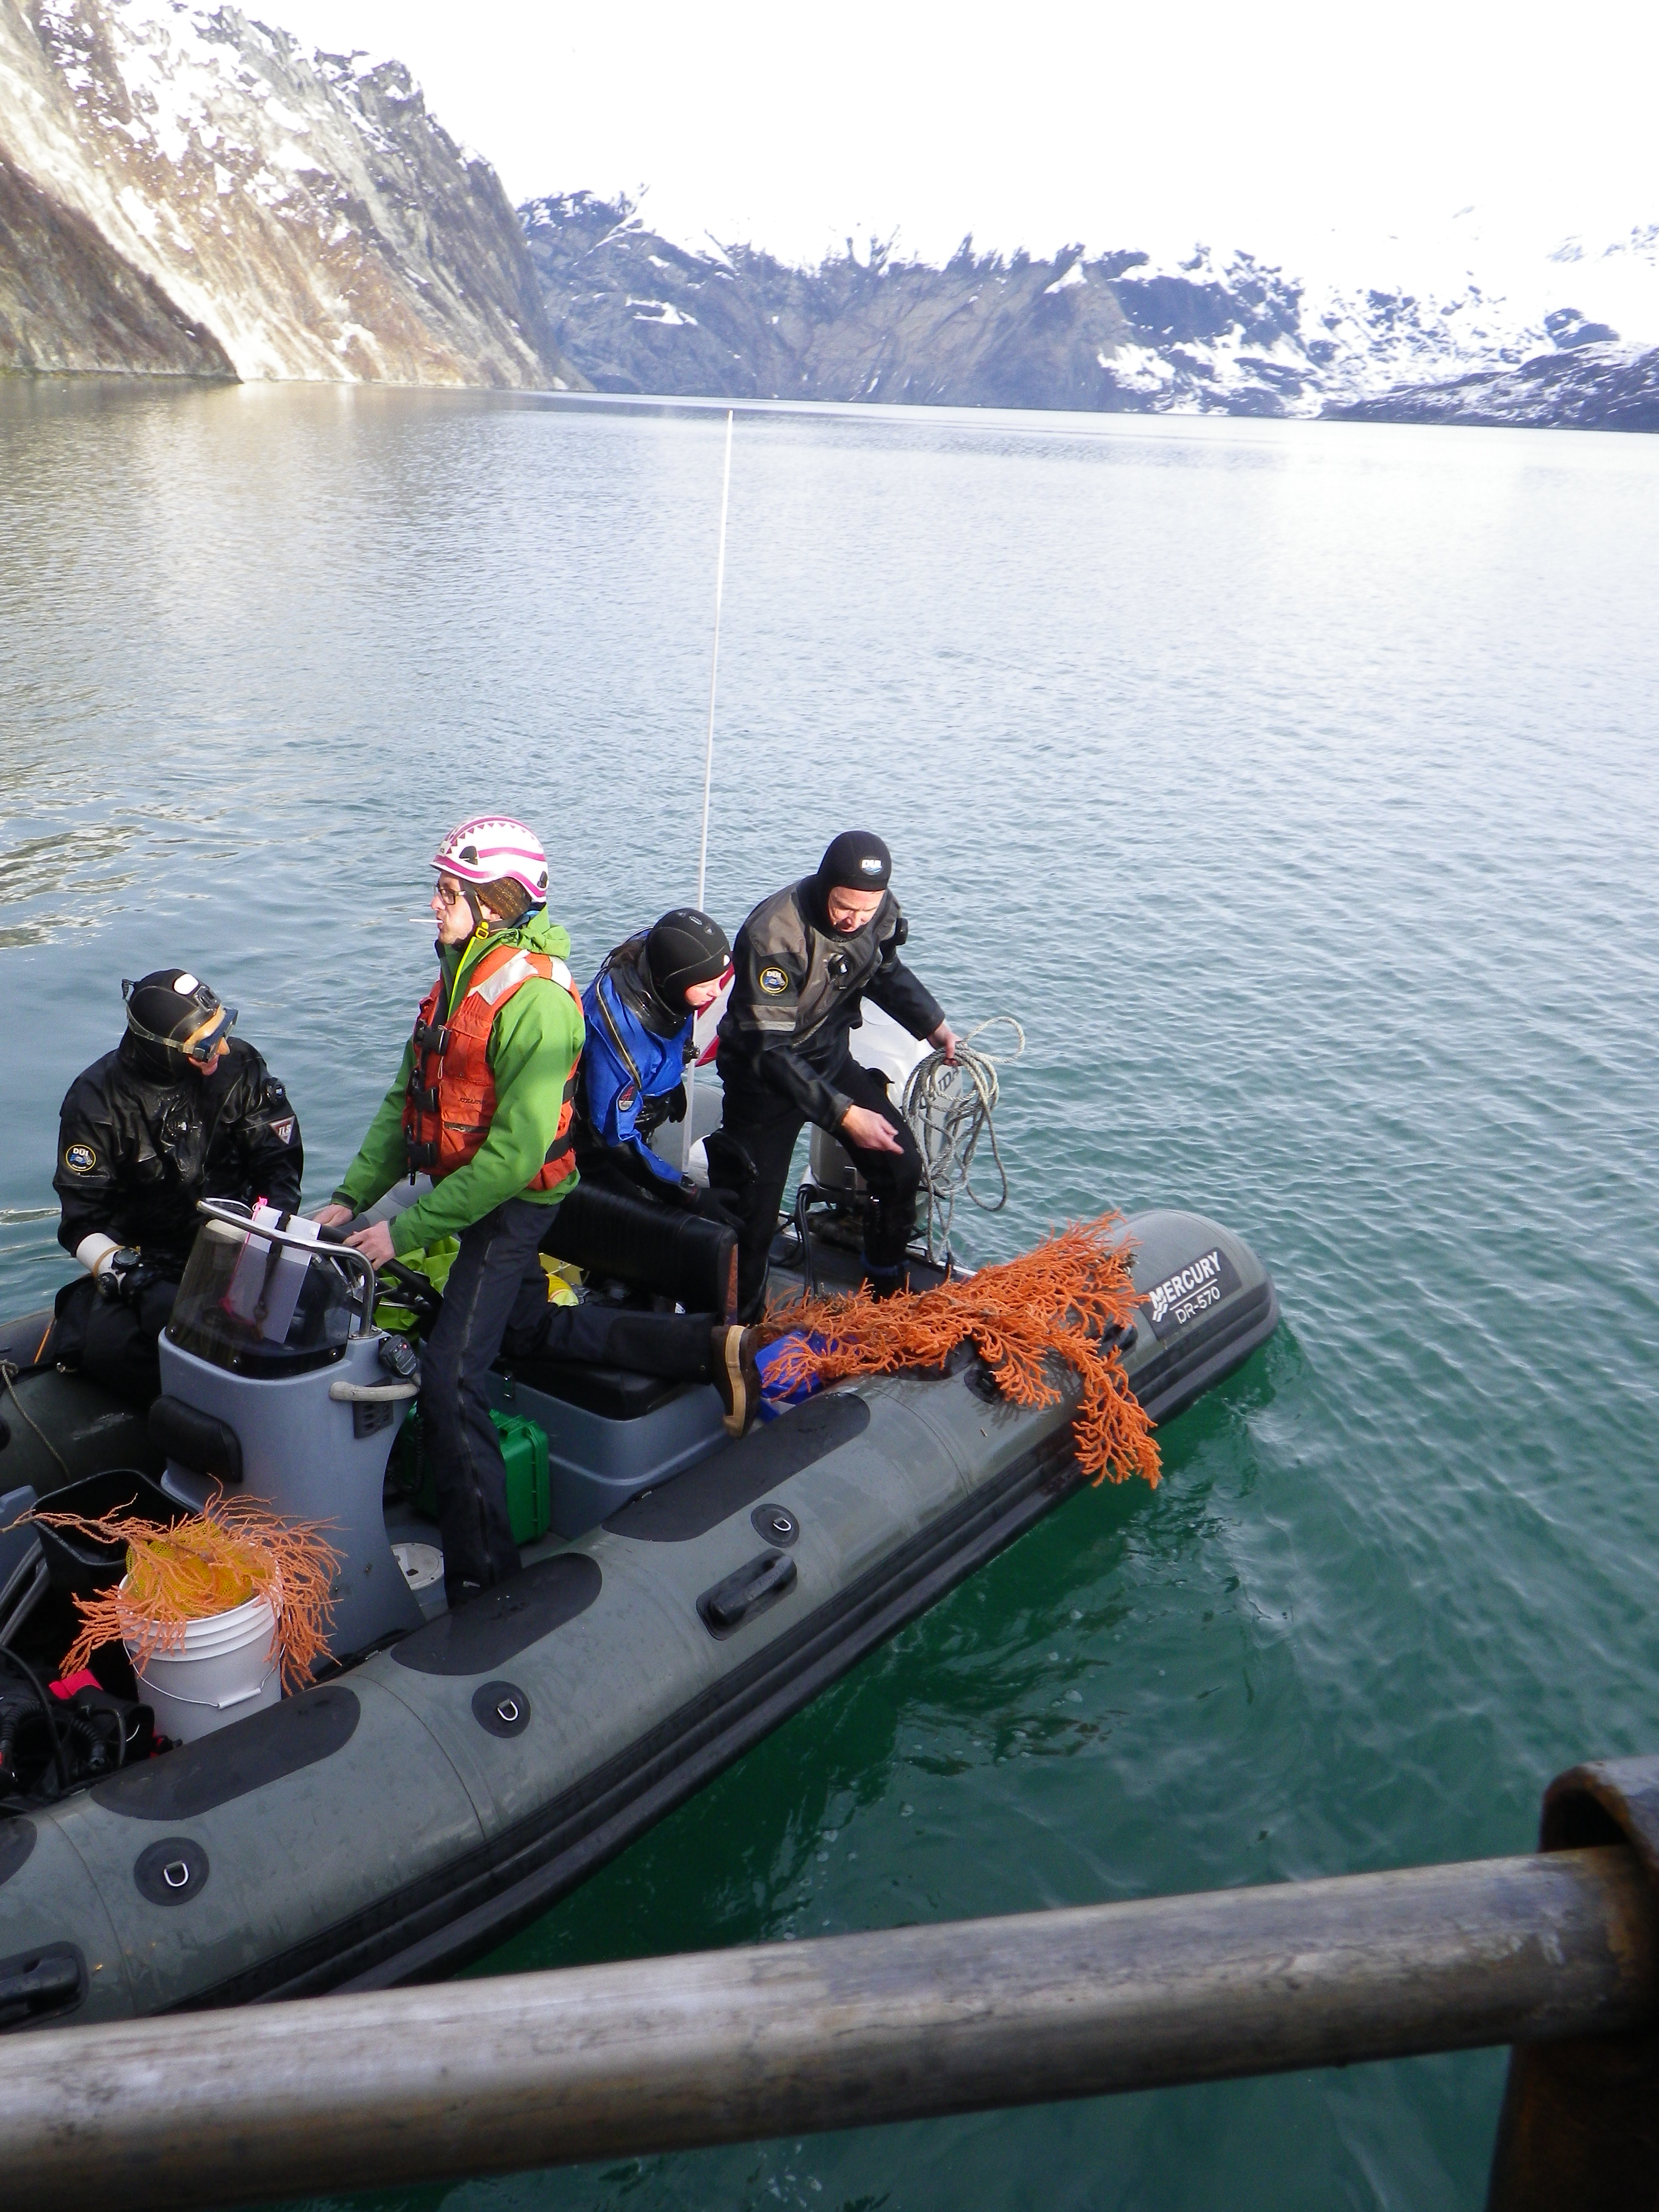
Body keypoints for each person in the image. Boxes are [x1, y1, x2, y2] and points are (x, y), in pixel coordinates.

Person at [316, 820, 757, 1608]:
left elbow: (517, 1158)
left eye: (448, 893)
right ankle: (705, 1345)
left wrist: (404, 1230)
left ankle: (488, 1588)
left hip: (515, 1200)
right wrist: (352, 1196)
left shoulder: (539, 1004)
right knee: (520, 1331)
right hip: (469, 1190)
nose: (434, 905)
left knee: (452, 1379)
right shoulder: (458, 978)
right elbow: (403, 1101)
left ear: (493, 904)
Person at [710, 830, 957, 1320]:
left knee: (902, 1168)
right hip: (764, 1078)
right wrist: (846, 1118)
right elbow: (770, 1048)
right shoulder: (774, 933)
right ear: (825, 886)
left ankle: (882, 1288)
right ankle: (738, 1327)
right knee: (752, 1221)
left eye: (867, 911)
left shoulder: (878, 913)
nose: (855, 920)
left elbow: (882, 969)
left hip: (828, 1055)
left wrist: (933, 1024)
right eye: (846, 908)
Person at [52, 969, 303, 1405]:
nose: (223, 1049)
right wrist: (135, 1280)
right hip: (152, 1265)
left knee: (307, 1320)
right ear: (162, 1051)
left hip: (241, 1243)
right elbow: (79, 1225)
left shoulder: (240, 1068)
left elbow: (278, 1167)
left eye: (226, 1030)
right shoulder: (96, 1104)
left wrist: (262, 1245)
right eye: (206, 1046)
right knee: (113, 1350)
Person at [575, 906, 734, 1213]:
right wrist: (688, 1194)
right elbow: (612, 1137)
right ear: (672, 981)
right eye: (705, 984)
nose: (717, 992)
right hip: (596, 1147)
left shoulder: (655, 962)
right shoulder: (621, 1037)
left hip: (641, 1107)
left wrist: (671, 1086)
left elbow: (671, 1037)